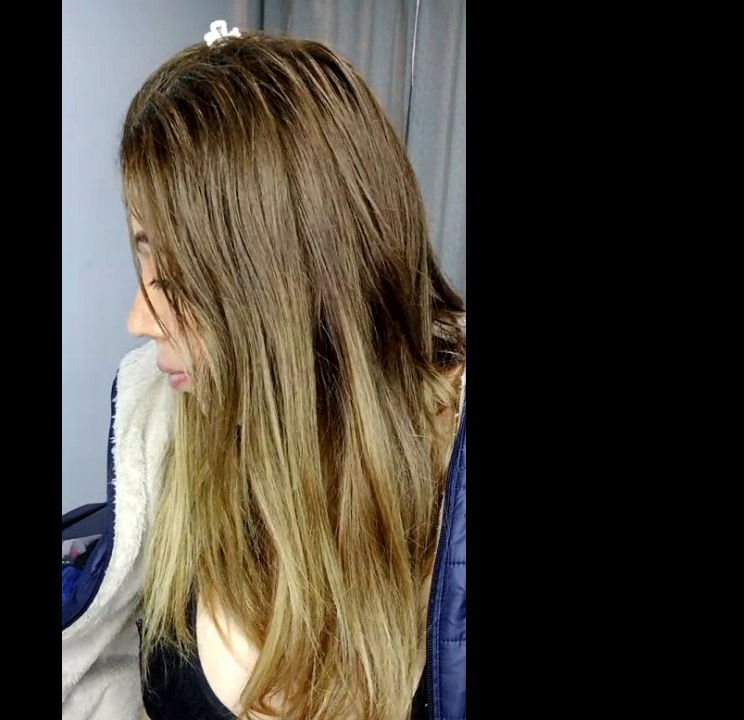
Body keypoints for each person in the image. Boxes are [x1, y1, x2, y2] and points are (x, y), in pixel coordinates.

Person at [62, 22, 466, 720]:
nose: (139, 319)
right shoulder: (170, 434)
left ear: (291, 278)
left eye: (178, 275)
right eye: (143, 254)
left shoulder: (445, 503)